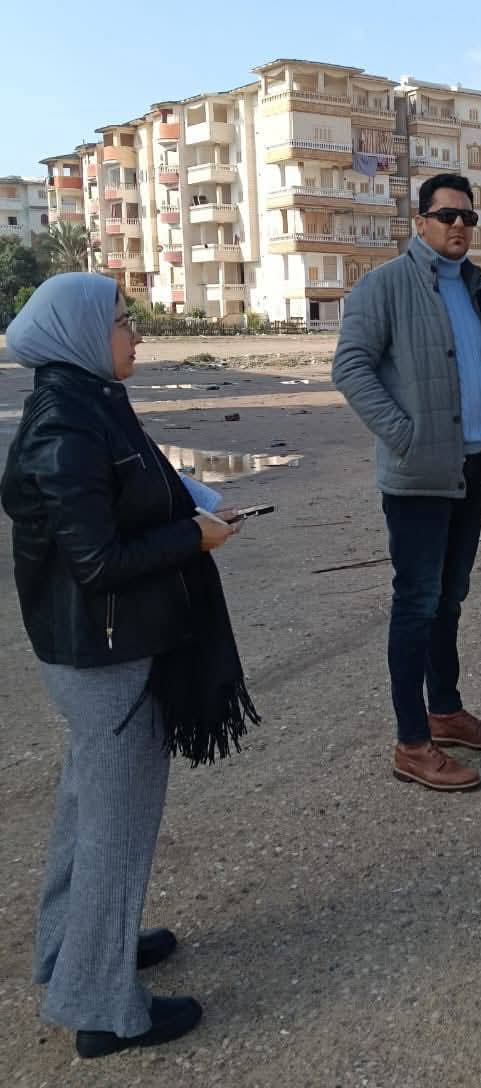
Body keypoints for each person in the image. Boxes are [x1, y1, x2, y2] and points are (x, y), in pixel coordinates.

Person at [1, 273, 258, 1058]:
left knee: (89, 813)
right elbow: (98, 562)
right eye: (121, 321)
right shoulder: (68, 424)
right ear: (82, 334)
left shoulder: (89, 402)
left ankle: (76, 953)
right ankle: (102, 1007)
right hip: (104, 654)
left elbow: (134, 491)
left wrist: (193, 505)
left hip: (100, 647)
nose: (136, 333)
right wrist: (193, 540)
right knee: (116, 829)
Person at [332, 173, 481, 791]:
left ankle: (446, 712)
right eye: (446, 216)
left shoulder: (473, 285)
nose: (459, 226)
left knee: (449, 597)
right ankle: (412, 742)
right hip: (419, 475)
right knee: (416, 602)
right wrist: (404, 435)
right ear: (420, 222)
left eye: (468, 217)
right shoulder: (385, 285)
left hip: (470, 466)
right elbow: (350, 367)